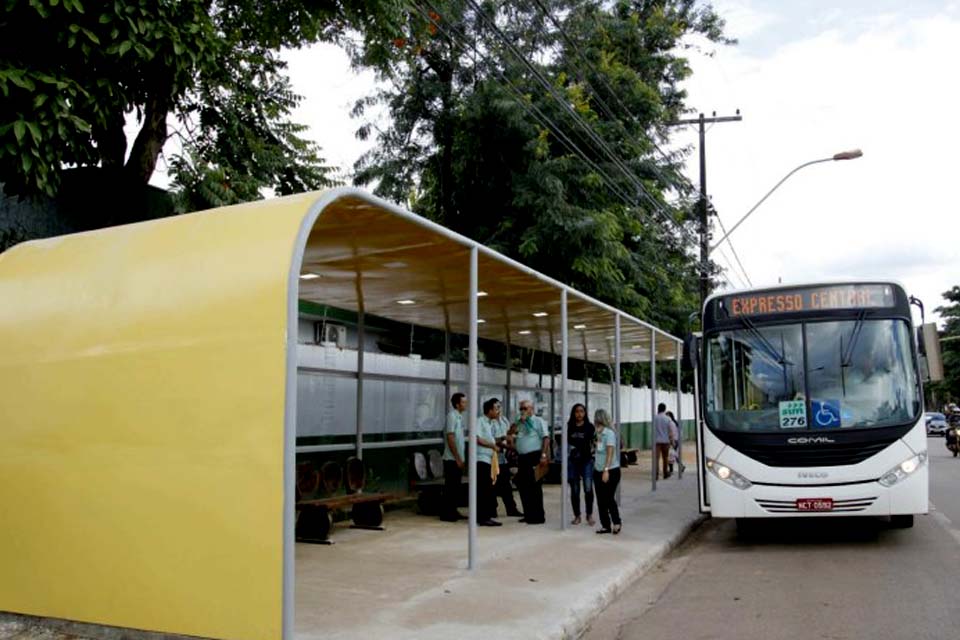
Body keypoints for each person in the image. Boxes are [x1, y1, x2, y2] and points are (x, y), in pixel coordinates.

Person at [511, 400, 550, 525]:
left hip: (534, 455)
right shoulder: (520, 422)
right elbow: (510, 433)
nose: (522, 411)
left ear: (531, 409)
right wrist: (518, 422)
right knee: (523, 485)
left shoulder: (538, 421)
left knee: (534, 486)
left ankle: (538, 515)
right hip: (522, 457)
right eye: (520, 408)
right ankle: (528, 514)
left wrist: (543, 455)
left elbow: (546, 438)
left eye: (524, 408)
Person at [490, 398, 522, 518]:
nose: (498, 410)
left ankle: (511, 508)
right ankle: (492, 509)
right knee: (492, 484)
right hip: (493, 457)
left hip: (503, 457)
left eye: (499, 407)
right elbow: (495, 440)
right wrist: (510, 447)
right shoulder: (490, 422)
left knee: (506, 484)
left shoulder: (503, 420)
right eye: (496, 407)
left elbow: (508, 434)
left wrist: (512, 431)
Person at [474, 399, 504, 526]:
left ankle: (486, 514)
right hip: (481, 459)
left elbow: (491, 438)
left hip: (489, 460)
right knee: (483, 489)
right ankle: (483, 517)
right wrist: (492, 446)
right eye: (496, 409)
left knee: (488, 488)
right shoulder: (479, 421)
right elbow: (477, 438)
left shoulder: (490, 423)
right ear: (489, 410)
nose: (498, 411)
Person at [593, 409, 622, 534]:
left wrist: (606, 470)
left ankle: (616, 522)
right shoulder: (597, 433)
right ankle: (605, 525)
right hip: (597, 469)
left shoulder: (609, 433)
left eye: (596, 419)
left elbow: (610, 453)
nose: (595, 421)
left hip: (610, 470)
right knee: (600, 499)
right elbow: (598, 450)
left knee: (609, 498)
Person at [440, 392, 467, 522]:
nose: (465, 404)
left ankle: (453, 510)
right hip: (451, 459)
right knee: (450, 487)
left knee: (456, 487)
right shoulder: (452, 416)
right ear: (457, 404)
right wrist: (457, 458)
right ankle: (446, 513)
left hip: (458, 458)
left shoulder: (460, 417)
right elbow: (450, 437)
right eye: (463, 402)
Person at [566, 403, 595, 526]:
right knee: (575, 490)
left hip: (587, 461)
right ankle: (577, 515)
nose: (579, 414)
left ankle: (589, 515)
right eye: (577, 411)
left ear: (585, 413)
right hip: (573, 462)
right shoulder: (569, 426)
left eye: (582, 411)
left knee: (588, 488)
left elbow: (595, 441)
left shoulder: (590, 427)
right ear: (573, 413)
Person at [653, 403, 675, 480]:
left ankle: (656, 475)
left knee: (656, 458)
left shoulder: (654, 418)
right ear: (664, 409)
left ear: (658, 408)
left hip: (656, 442)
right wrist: (672, 441)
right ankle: (665, 474)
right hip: (666, 441)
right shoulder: (668, 419)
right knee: (665, 458)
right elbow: (671, 431)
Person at [665, 410, 685, 476]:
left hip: (674, 441)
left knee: (671, 455)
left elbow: (672, 434)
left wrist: (673, 441)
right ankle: (681, 466)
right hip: (675, 440)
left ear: (671, 416)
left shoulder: (672, 423)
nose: (666, 417)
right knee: (674, 455)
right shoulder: (674, 423)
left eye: (667, 416)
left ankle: (671, 470)